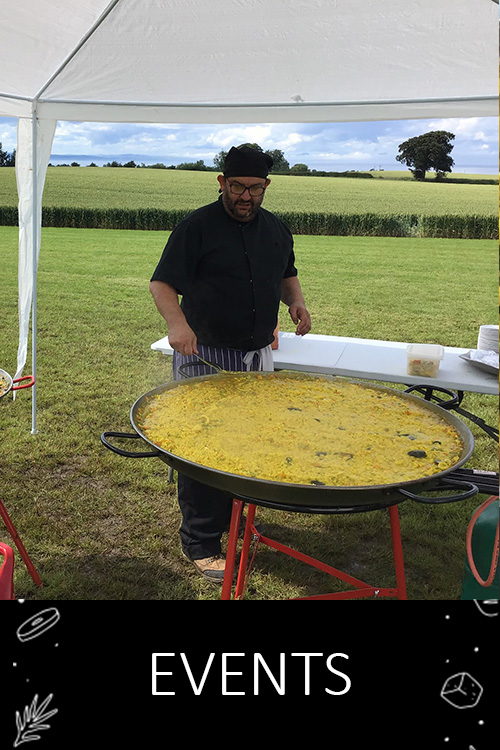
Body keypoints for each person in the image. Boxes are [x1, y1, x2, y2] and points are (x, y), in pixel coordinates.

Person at [149, 144, 311, 583]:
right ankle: (200, 542)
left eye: (254, 188)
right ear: (222, 182)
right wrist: (177, 324)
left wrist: (295, 302)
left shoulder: (276, 229)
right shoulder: (197, 227)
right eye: (237, 186)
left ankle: (237, 517)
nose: (245, 196)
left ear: (266, 187)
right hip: (206, 354)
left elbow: (285, 272)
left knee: (248, 440)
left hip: (256, 353)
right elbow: (162, 284)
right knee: (202, 448)